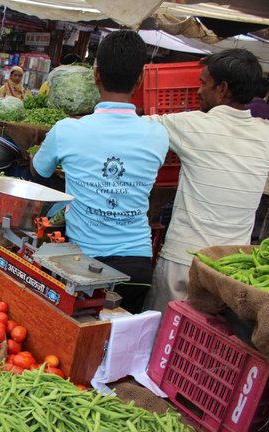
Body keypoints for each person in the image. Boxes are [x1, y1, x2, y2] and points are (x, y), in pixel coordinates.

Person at [31, 30, 169, 314]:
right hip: (138, 265)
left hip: (82, 266)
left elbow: (38, 172)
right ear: (140, 80)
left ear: (95, 76)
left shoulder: (67, 129)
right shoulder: (158, 134)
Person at [144, 49, 269, 313]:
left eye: (203, 83)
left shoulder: (192, 125)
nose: (198, 91)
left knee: (162, 335)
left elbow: (136, 127)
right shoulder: (265, 135)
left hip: (183, 262)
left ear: (222, 89)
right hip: (229, 269)